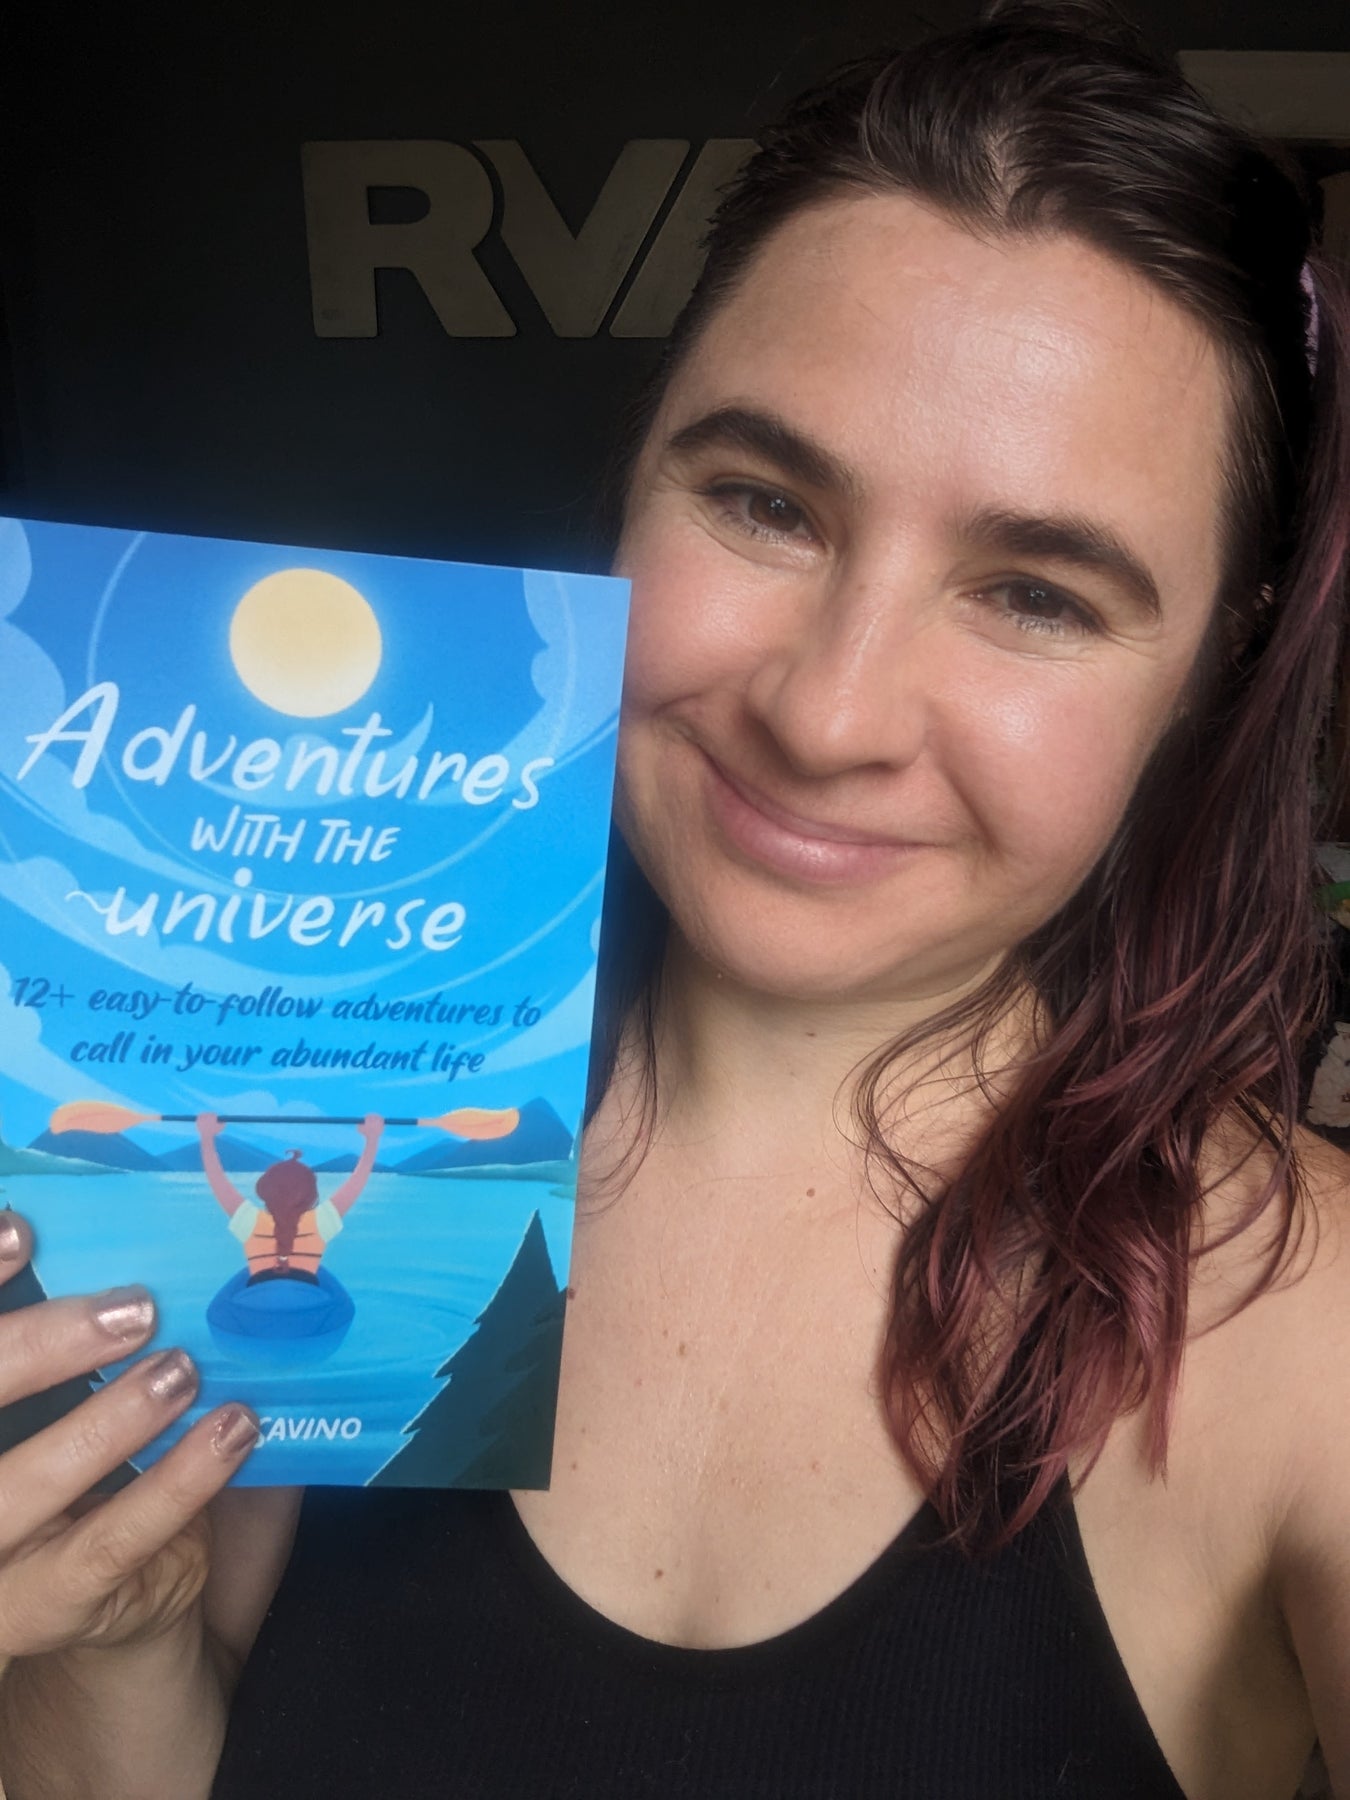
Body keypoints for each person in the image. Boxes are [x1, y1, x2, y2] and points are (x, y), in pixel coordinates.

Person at [1, 1, 1348, 1794]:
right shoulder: (331, 1105)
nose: (826, 714)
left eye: (1036, 594)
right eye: (765, 502)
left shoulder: (1306, 1333)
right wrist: (109, 1635)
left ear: (1208, 670)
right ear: (633, 480)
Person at [195, 1112, 384, 1283]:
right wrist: (372, 1138)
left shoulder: (250, 1221)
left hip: (259, 1300)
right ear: (311, 1195)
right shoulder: (321, 1222)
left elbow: (217, 1179)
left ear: (264, 1191)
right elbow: (357, 1181)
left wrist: (206, 1136)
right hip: (306, 1299)